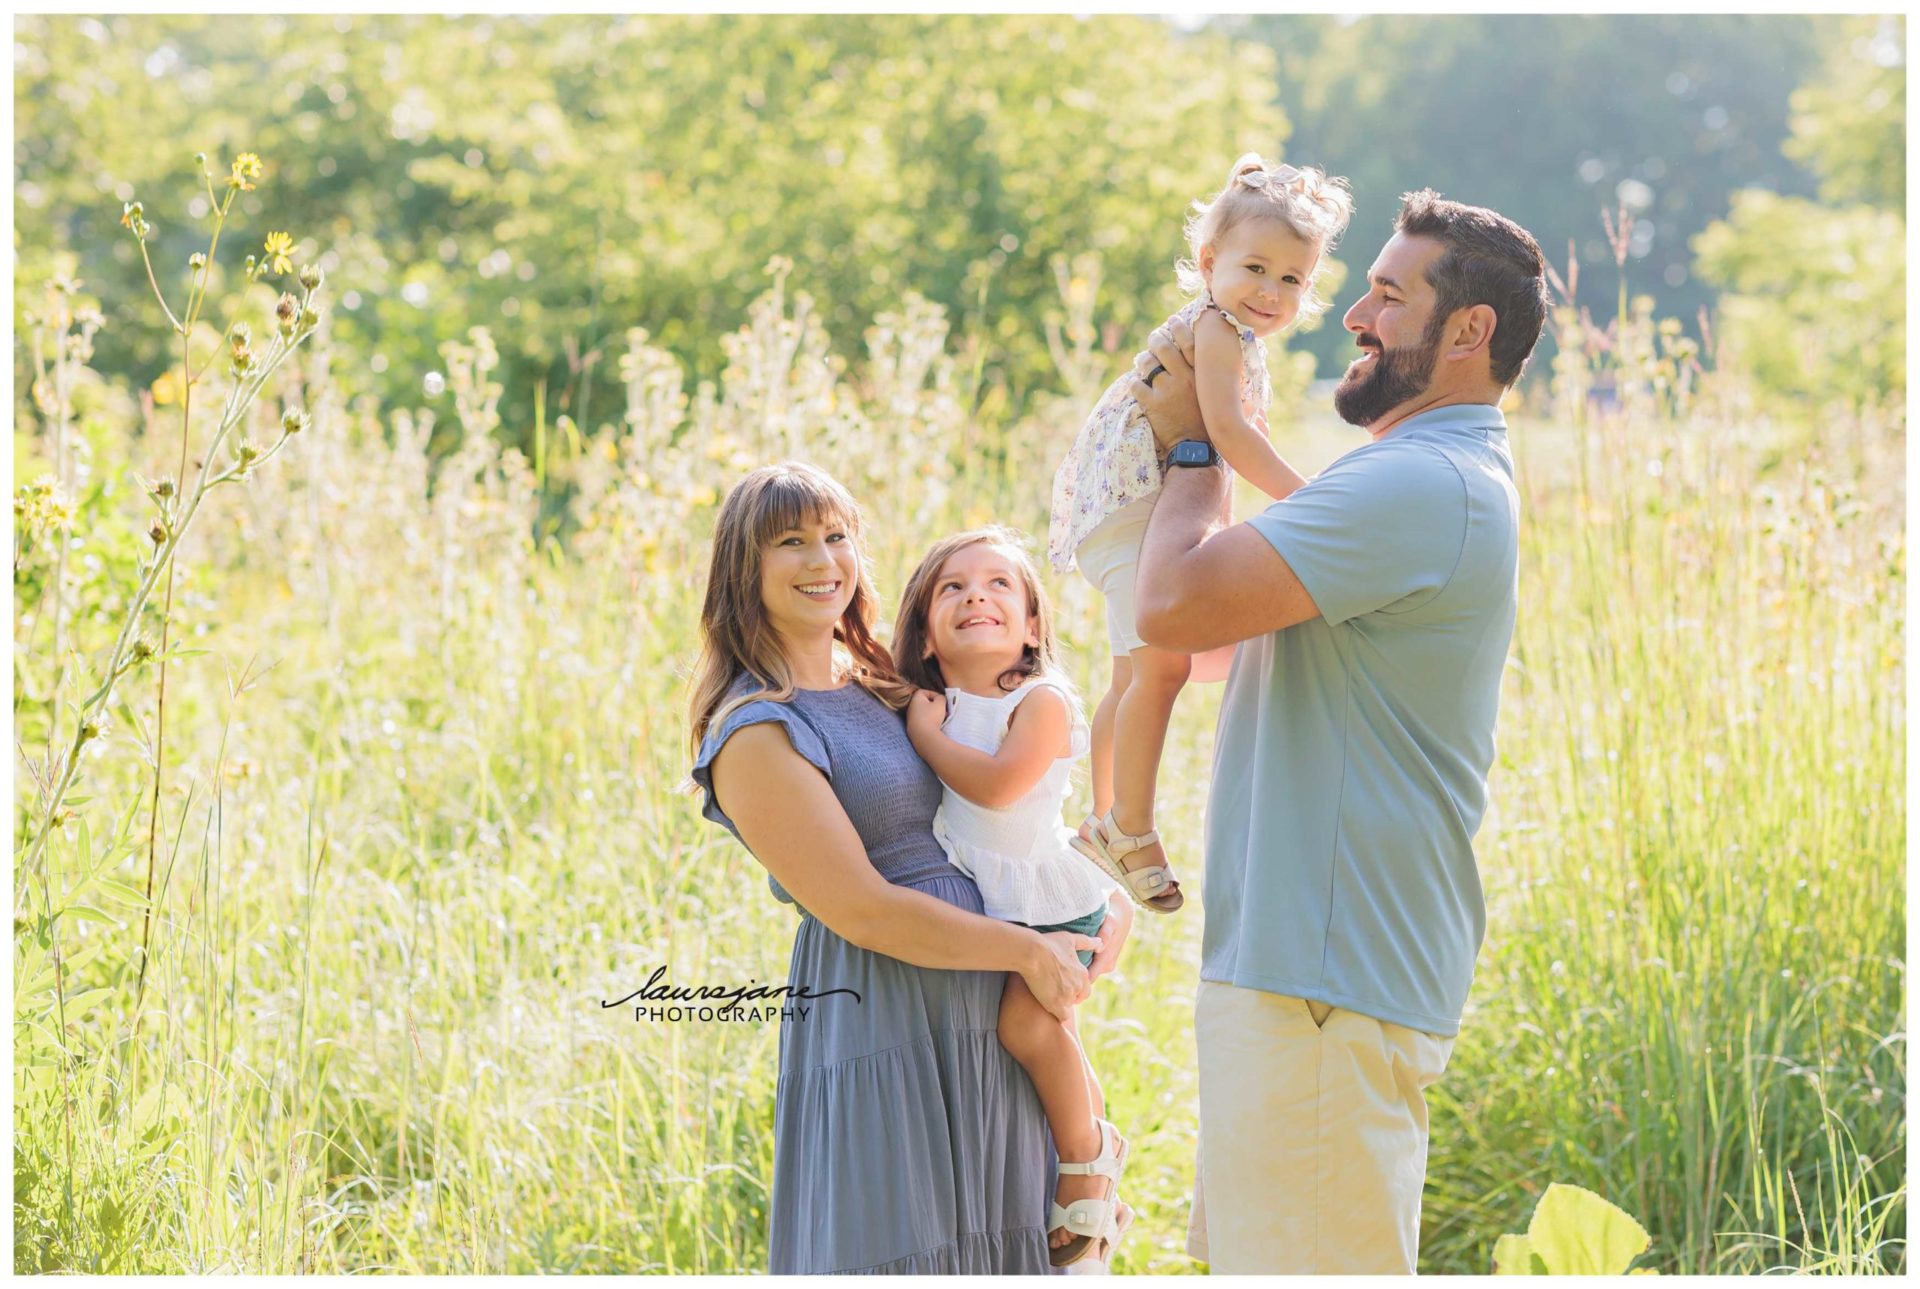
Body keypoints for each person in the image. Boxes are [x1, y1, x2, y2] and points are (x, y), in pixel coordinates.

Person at [1127, 190, 1551, 1274]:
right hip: (1312, 969)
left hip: (1323, 975)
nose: (1352, 312)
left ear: (1469, 332)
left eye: (1388, 293)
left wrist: (1190, 449)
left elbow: (1173, 607)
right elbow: (1222, 641)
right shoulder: (1426, 474)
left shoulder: (1419, 479)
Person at [688, 463, 1127, 1274]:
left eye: (836, 536)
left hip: (980, 1012)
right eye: (791, 542)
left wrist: (1096, 894)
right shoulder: (755, 730)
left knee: (1008, 1244)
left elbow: (1007, 811)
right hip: (884, 1012)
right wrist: (1025, 951)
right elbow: (863, 908)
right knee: (903, 1246)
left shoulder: (885, 689)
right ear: (743, 570)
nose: (824, 561)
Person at [1046, 153, 1353, 916]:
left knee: (1133, 671)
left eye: (1293, 279)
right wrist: (1312, 502)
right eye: (1255, 267)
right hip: (1133, 498)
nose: (1272, 292)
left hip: (1130, 504)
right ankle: (1132, 826)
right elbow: (1230, 437)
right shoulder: (1216, 329)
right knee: (1162, 666)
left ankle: (1106, 816)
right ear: (1210, 262)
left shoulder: (1237, 340)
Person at [892, 528, 1136, 1267]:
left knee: (1029, 1030)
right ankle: (1095, 1143)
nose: (976, 595)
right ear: (926, 635)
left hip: (1047, 899)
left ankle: (1086, 1160)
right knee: (1041, 1029)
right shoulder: (933, 702)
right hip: (996, 901)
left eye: (1001, 585)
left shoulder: (1042, 699)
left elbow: (998, 786)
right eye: (952, 587)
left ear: (1032, 627)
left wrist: (925, 737)